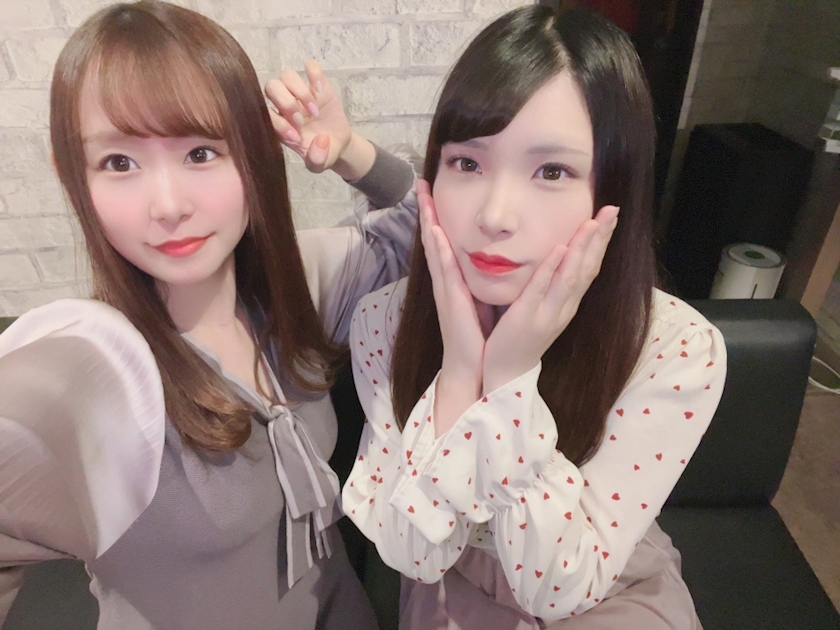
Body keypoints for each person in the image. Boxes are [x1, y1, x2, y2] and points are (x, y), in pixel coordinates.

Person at [0, 1, 420, 628]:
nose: (169, 205)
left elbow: (429, 235)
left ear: (252, 154)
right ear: (74, 176)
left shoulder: (293, 287)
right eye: (119, 163)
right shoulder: (97, 374)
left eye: (200, 153)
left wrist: (349, 151)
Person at [342, 6, 726, 628]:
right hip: (457, 584)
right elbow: (414, 555)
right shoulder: (385, 321)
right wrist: (460, 372)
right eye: (468, 163)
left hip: (606, 588)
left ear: (613, 192)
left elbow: (558, 588)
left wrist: (510, 378)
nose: (495, 214)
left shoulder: (675, 346)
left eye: (551, 171)